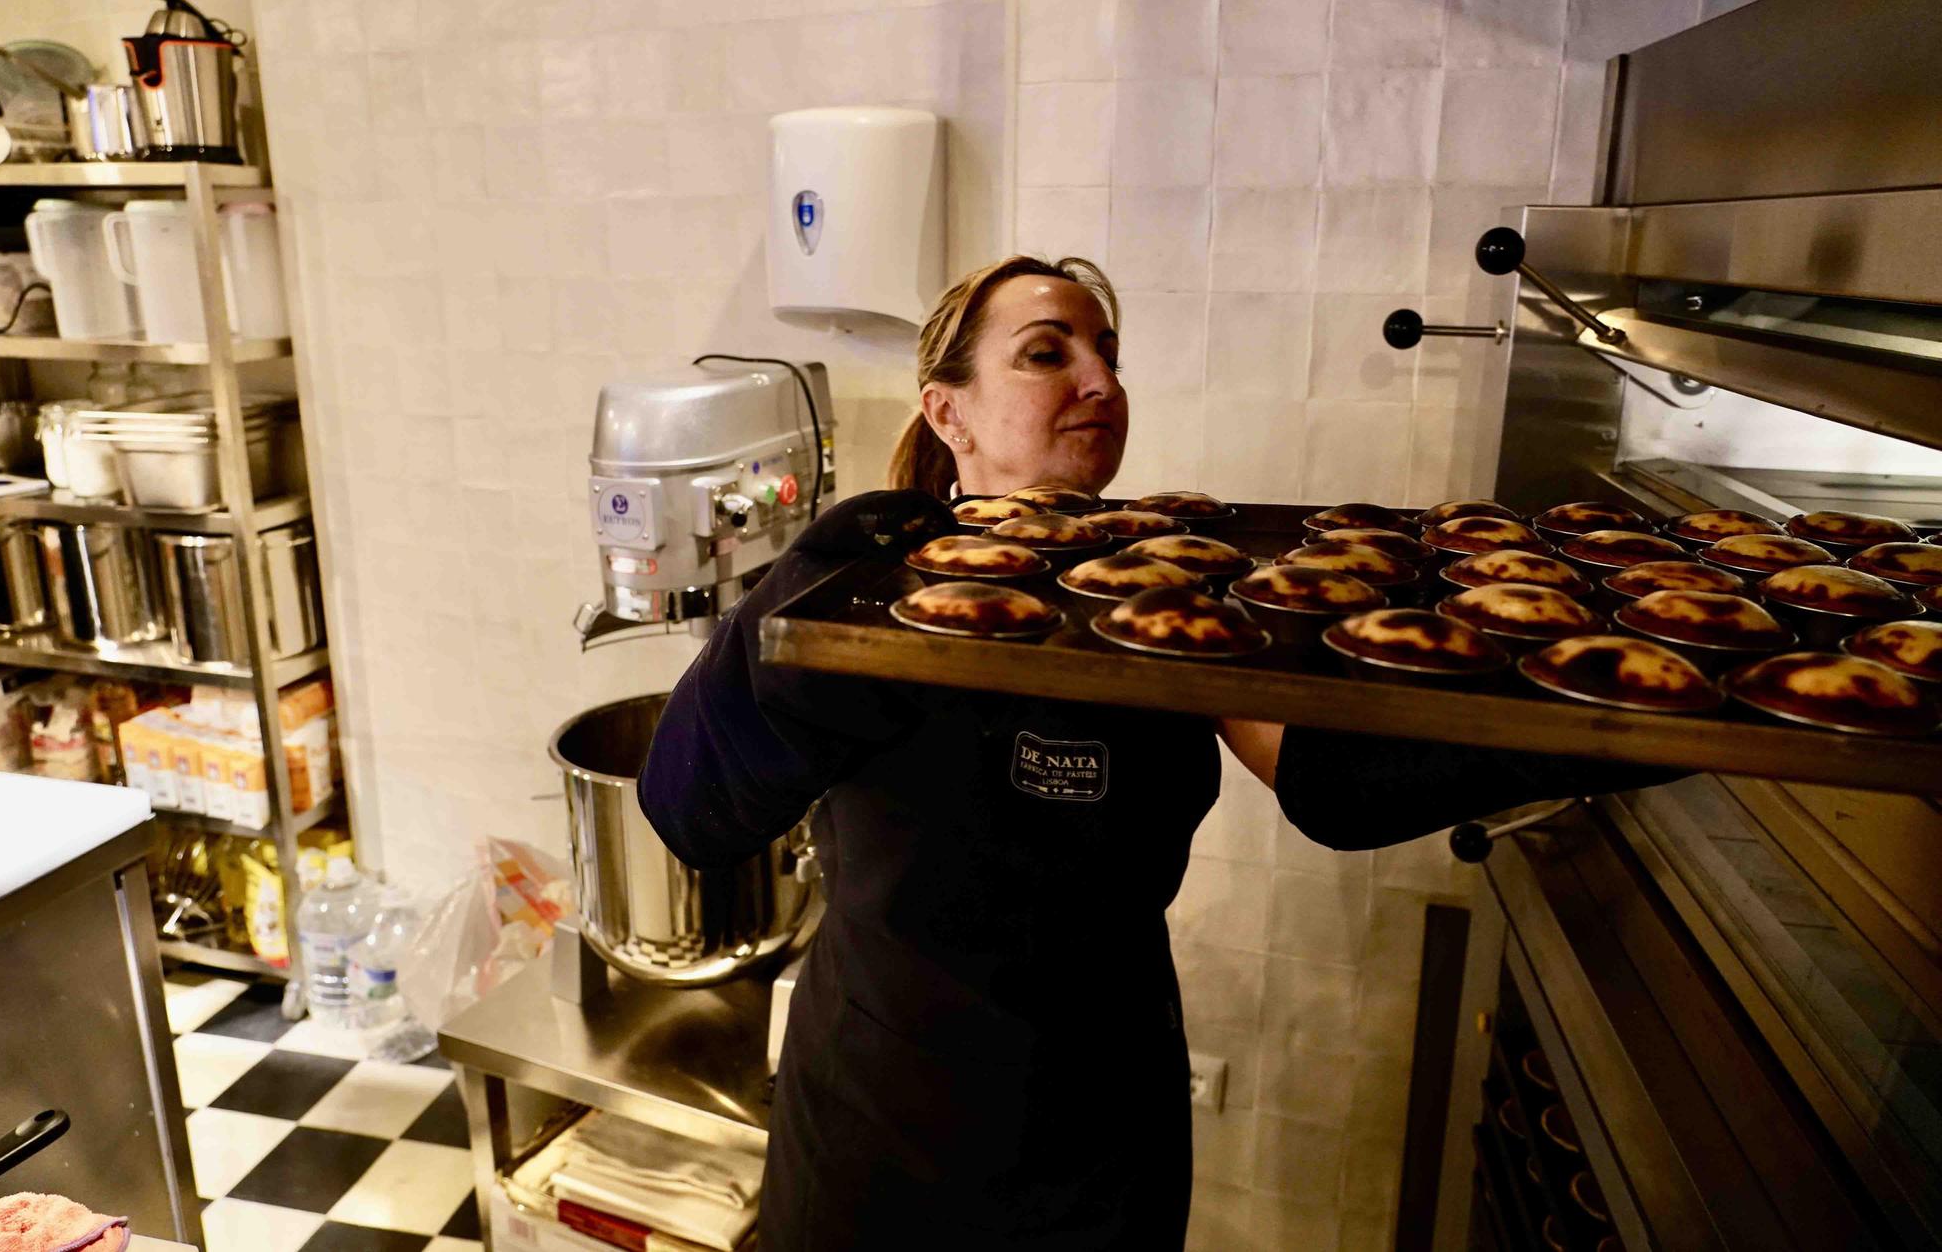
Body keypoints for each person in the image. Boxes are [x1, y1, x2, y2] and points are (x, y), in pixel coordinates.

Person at [638, 256, 1668, 1250]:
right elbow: (691, 805)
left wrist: (1613, 715)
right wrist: (788, 617)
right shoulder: (873, 600)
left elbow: (1328, 784)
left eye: (1107, 351)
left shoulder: (1165, 594)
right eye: (1047, 353)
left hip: (1101, 1128)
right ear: (945, 410)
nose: (1099, 380)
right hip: (885, 1122)